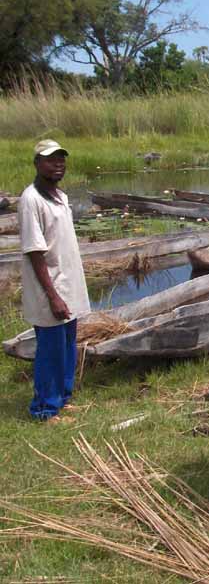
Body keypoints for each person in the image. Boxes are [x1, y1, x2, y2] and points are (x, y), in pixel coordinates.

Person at [18, 139, 91, 420]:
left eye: (61, 159)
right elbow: (35, 252)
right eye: (50, 160)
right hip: (50, 289)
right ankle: (44, 409)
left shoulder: (60, 196)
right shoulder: (31, 200)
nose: (58, 164)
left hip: (68, 284)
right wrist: (53, 296)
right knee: (50, 351)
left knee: (66, 346)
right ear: (37, 163)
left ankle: (63, 398)